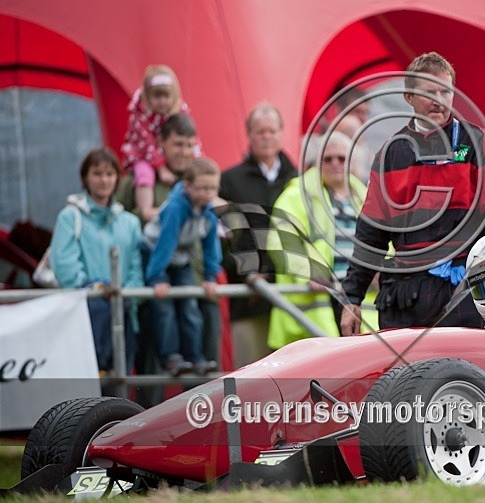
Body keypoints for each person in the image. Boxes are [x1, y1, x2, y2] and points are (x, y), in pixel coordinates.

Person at [339, 51, 485, 335]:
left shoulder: (482, 145)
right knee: (404, 377)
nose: (439, 100)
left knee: (463, 375)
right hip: (404, 298)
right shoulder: (390, 153)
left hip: (465, 293)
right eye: (428, 92)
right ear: (408, 97)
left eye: (445, 91)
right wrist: (352, 298)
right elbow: (370, 234)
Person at [267, 131, 368, 349]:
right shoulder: (297, 195)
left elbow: (387, 243)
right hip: (316, 310)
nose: (335, 163)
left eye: (341, 158)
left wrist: (382, 269)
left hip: (358, 301)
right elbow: (280, 239)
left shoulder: (365, 195)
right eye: (327, 158)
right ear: (316, 162)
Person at [50, 147, 143, 374]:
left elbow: (137, 268)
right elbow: (64, 263)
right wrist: (95, 290)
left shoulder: (130, 222)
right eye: (97, 173)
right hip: (82, 320)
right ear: (85, 177)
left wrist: (127, 296)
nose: (104, 180)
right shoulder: (69, 216)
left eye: (110, 174)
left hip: (124, 316)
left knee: (120, 387)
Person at [218, 103, 297, 367]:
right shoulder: (228, 181)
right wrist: (244, 273)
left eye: (271, 130)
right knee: (251, 384)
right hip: (248, 299)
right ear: (249, 135)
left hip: (293, 300)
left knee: (294, 383)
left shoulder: (299, 180)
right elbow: (221, 239)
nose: (266, 136)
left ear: (281, 133)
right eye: (259, 131)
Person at [141, 157, 221, 376]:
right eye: (203, 188)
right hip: (155, 253)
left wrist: (210, 275)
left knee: (190, 306)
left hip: (181, 256)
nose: (208, 193)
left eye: (213, 188)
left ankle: (195, 357)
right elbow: (164, 244)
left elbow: (211, 246)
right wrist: (157, 277)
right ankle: (171, 357)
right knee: (164, 306)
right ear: (187, 186)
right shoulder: (176, 208)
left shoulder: (210, 211)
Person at [120, 65, 201, 222]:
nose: (162, 102)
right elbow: (146, 142)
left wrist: (198, 160)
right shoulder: (140, 113)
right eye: (157, 97)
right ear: (148, 97)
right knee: (144, 174)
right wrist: (161, 167)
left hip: (161, 155)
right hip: (143, 154)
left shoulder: (181, 110)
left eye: (166, 96)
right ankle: (146, 209)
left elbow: (192, 135)